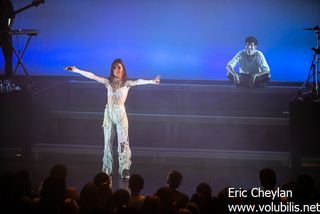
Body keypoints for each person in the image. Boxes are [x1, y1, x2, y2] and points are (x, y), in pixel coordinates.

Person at [65, 59, 160, 179]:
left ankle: (124, 169)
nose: (116, 69)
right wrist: (76, 70)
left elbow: (139, 82)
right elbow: (92, 76)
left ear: (123, 69)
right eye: (114, 67)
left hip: (120, 114)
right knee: (108, 142)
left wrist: (152, 81)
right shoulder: (107, 82)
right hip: (109, 113)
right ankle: (107, 169)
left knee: (123, 142)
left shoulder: (127, 83)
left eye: (119, 67)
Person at [0, 0, 14, 81]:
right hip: (5, 33)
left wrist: (8, 26)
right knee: (8, 56)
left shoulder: (8, 3)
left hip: (5, 33)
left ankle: (8, 79)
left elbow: (12, 17)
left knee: (8, 55)